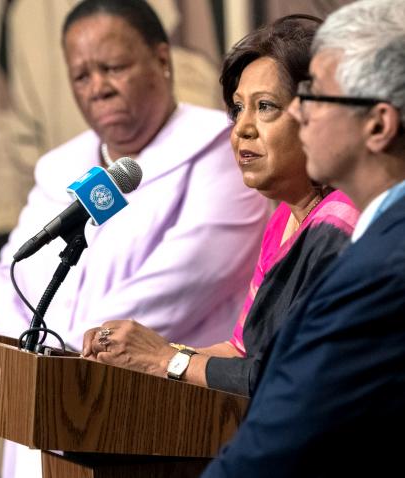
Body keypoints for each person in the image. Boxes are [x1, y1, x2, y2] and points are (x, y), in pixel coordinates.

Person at [0, 0, 269, 476]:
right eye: (82, 76)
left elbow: (180, 284)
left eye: (113, 67)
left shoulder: (220, 152)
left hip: (150, 425)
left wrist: (45, 358)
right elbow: (7, 281)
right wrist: (22, 360)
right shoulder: (60, 168)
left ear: (162, 59)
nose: (98, 88)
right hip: (43, 416)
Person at [81, 15, 360, 397]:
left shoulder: (343, 220)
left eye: (265, 107)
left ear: (318, 115)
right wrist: (141, 354)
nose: (242, 129)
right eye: (237, 109)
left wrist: (165, 359)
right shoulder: (284, 219)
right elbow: (241, 354)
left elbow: (287, 376)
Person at [202, 0, 405, 475]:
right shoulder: (370, 238)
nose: (304, 115)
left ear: (378, 124)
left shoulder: (375, 264)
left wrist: (166, 362)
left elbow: (281, 431)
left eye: (317, 99)